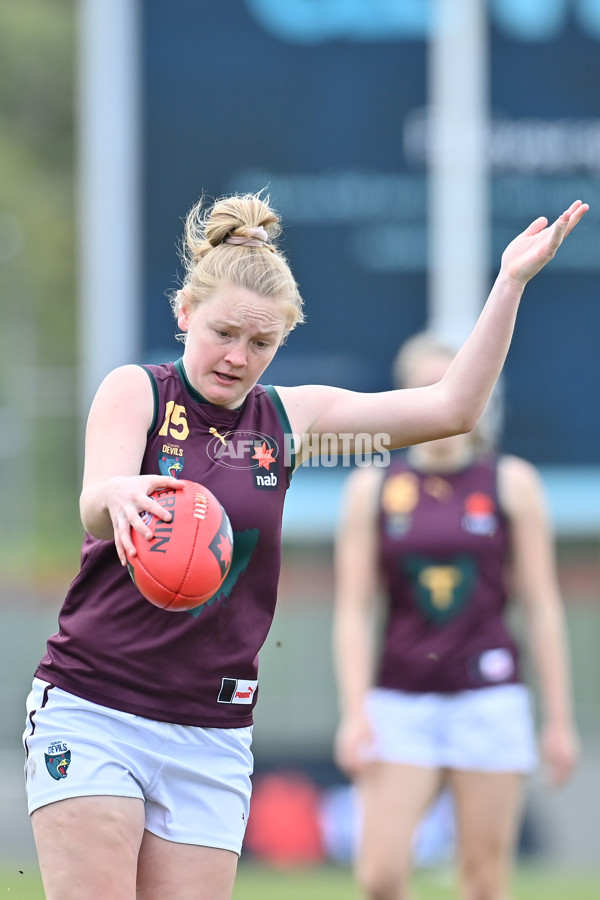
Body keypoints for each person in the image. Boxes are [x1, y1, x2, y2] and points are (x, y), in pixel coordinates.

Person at [22, 190, 586, 900]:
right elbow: (94, 502)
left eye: (261, 343)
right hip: (96, 707)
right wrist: (117, 497)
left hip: (211, 729)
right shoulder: (138, 392)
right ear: (184, 313)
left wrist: (507, 284)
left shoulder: (289, 422)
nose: (237, 357)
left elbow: (452, 408)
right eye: (223, 332)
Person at [332, 331, 580, 900]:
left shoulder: (511, 483)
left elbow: (541, 607)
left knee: (485, 882)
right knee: (382, 876)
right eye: (425, 387)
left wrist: (559, 720)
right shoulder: (372, 488)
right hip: (402, 700)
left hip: (488, 701)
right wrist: (355, 711)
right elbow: (352, 610)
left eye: (452, 385)